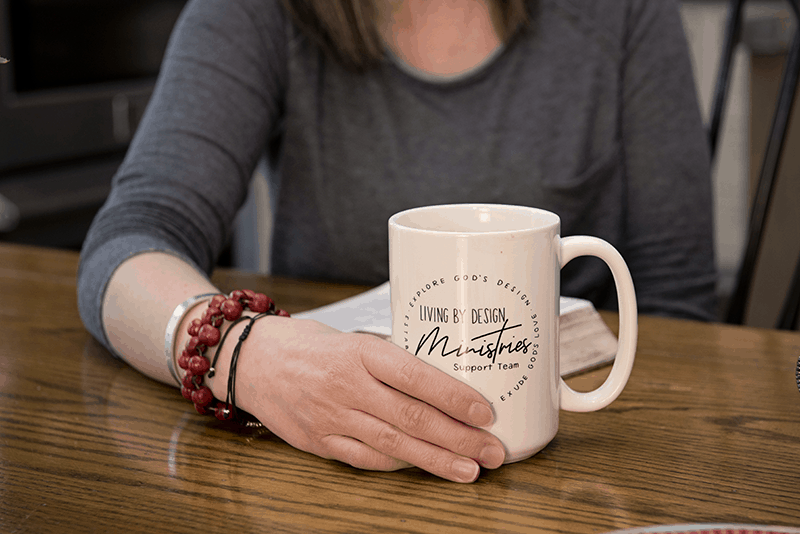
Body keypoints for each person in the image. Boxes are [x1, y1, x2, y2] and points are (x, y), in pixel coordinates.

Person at [77, 0, 717, 483]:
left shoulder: (622, 13)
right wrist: (240, 352)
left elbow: (678, 301)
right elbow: (130, 238)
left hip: (571, 470)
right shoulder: (258, 13)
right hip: (319, 474)